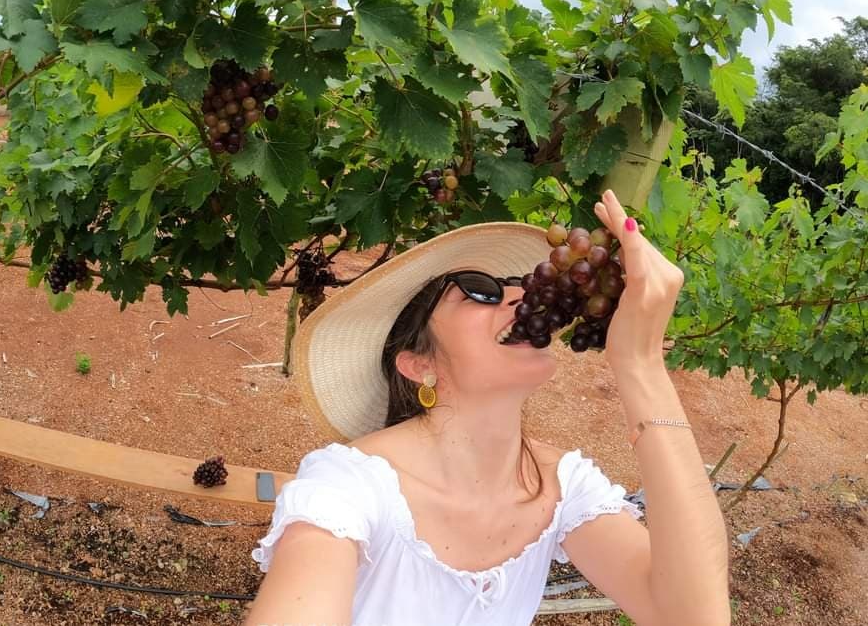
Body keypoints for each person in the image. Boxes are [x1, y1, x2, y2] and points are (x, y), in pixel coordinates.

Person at [244, 190, 730, 626]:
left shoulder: (562, 487)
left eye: (520, 282)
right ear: (418, 363)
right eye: (482, 291)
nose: (522, 297)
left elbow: (691, 617)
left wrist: (641, 365)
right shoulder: (346, 491)